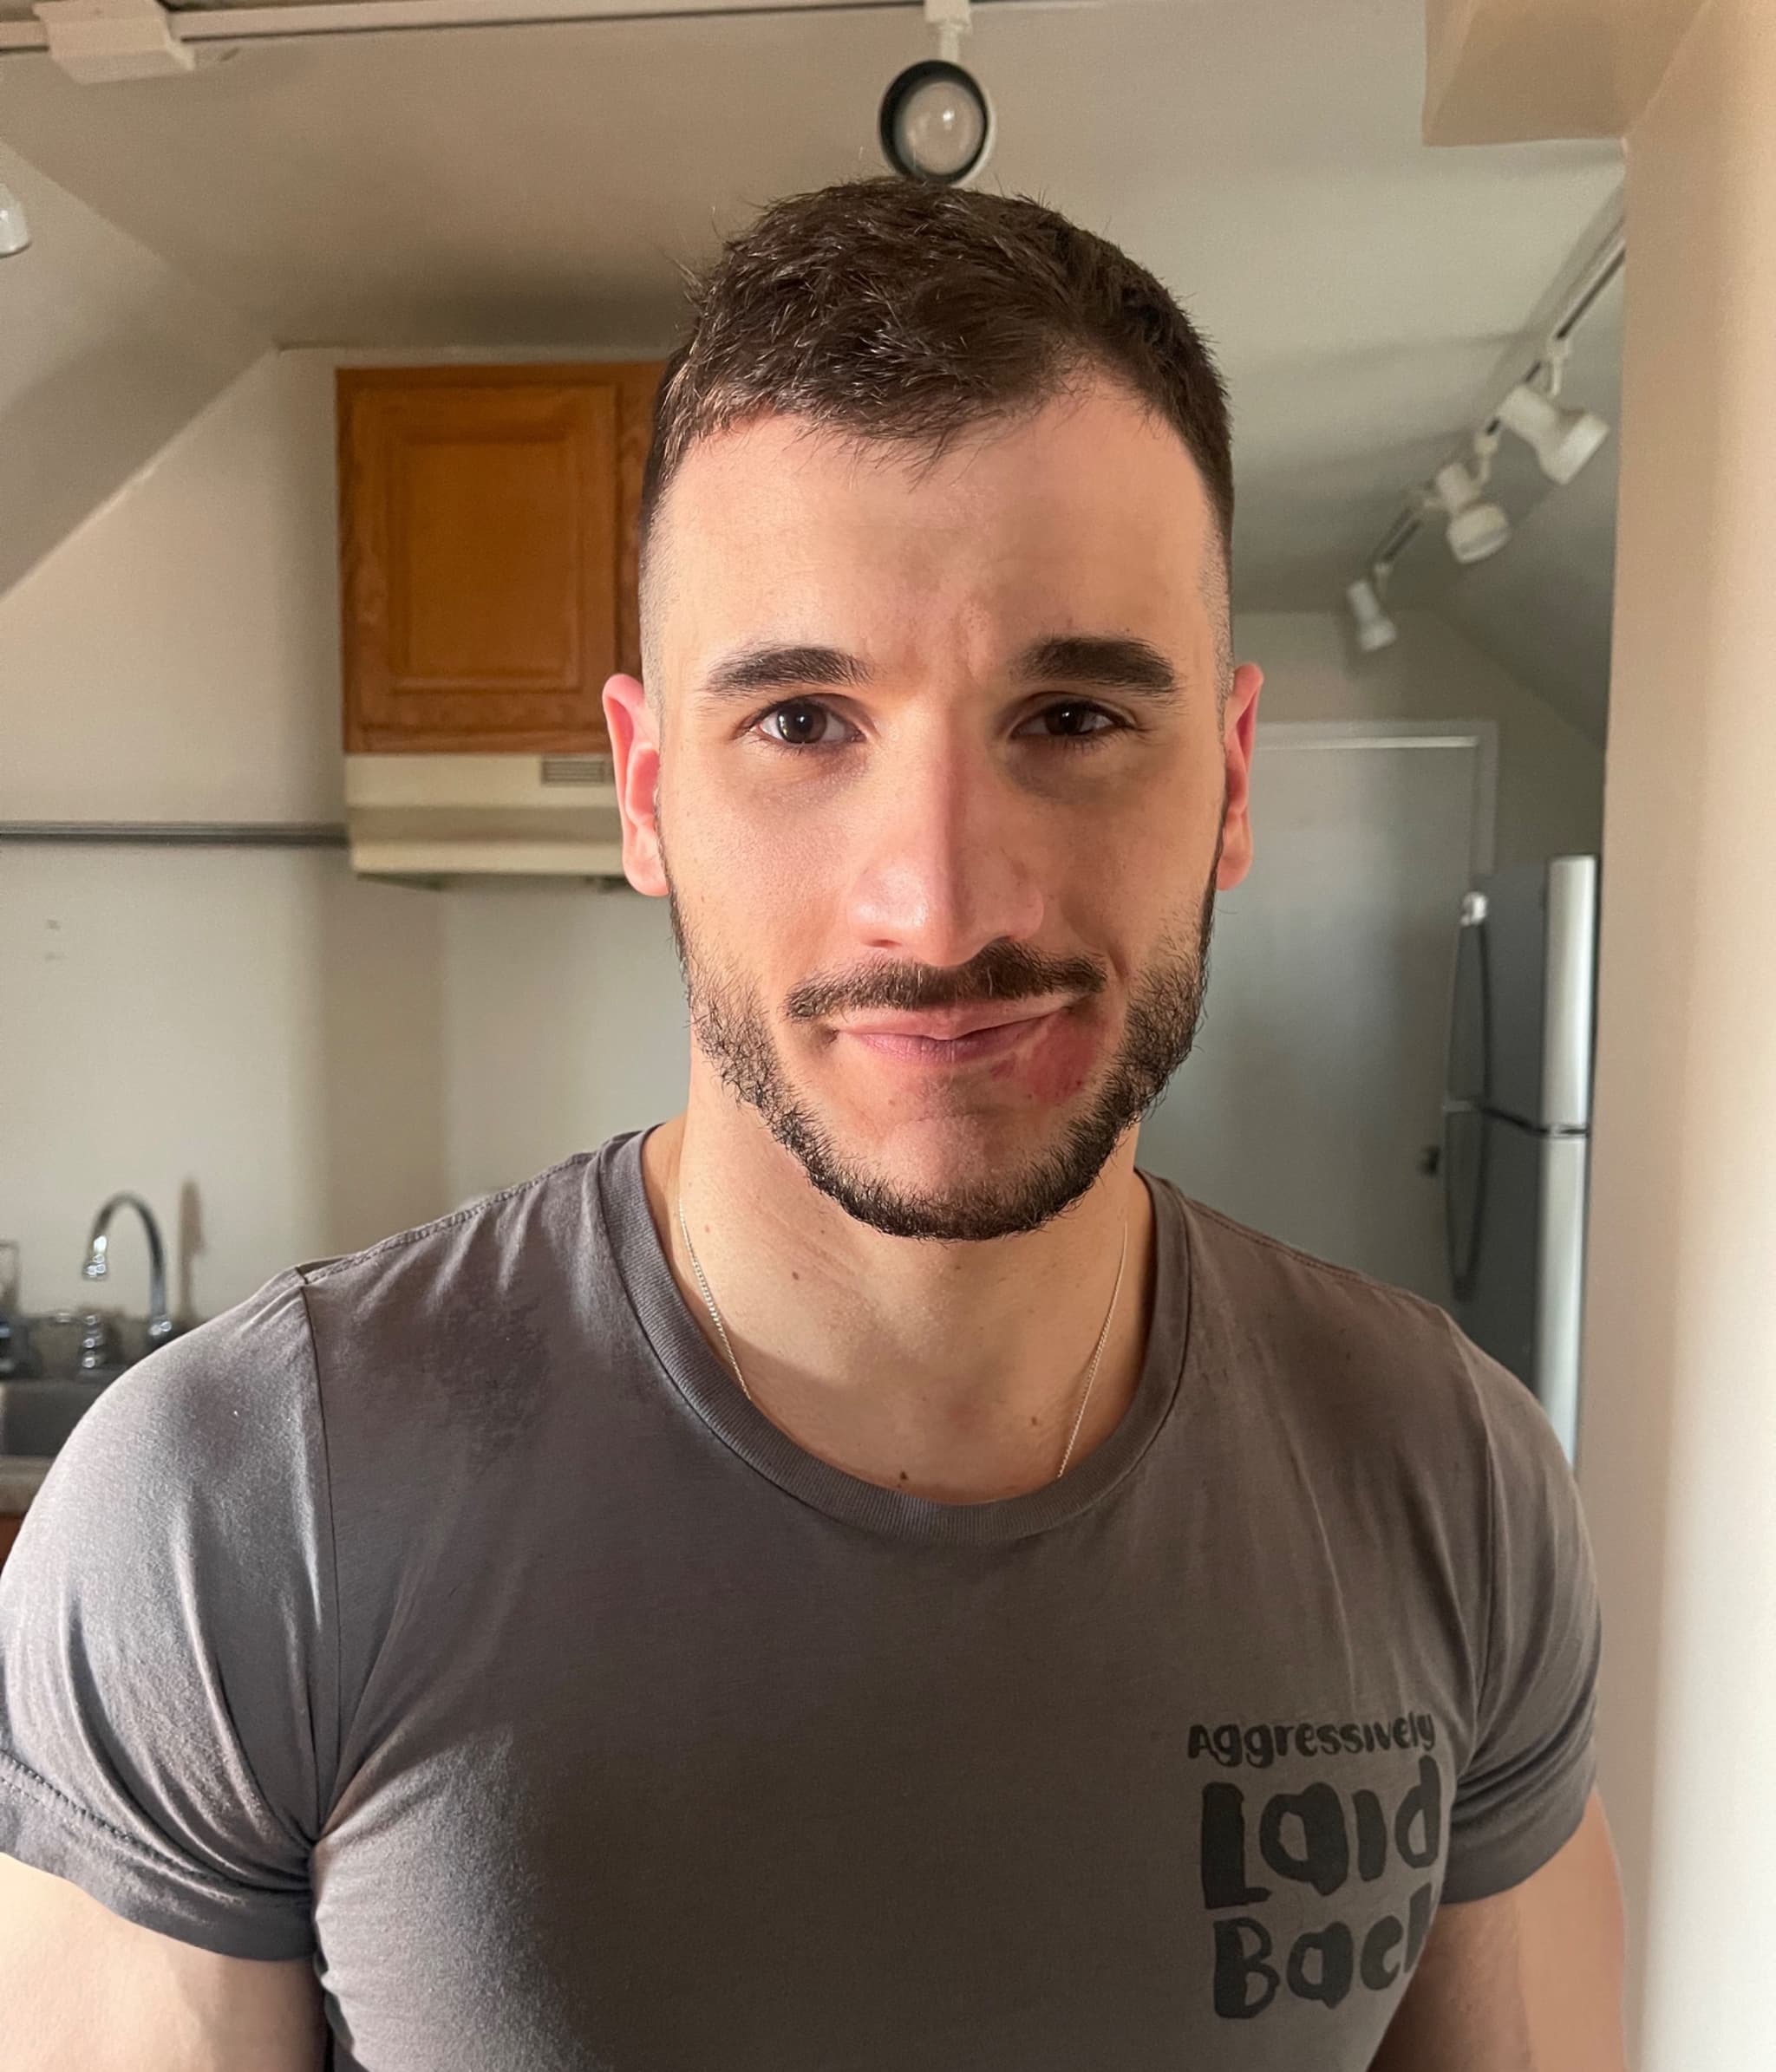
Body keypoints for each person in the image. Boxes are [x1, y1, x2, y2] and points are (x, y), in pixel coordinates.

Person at [0, 179, 1624, 2070]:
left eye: (1074, 716)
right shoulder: (234, 1506)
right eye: (800, 722)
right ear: (645, 791)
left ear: (1233, 777)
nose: (938, 904)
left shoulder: (1451, 1478)